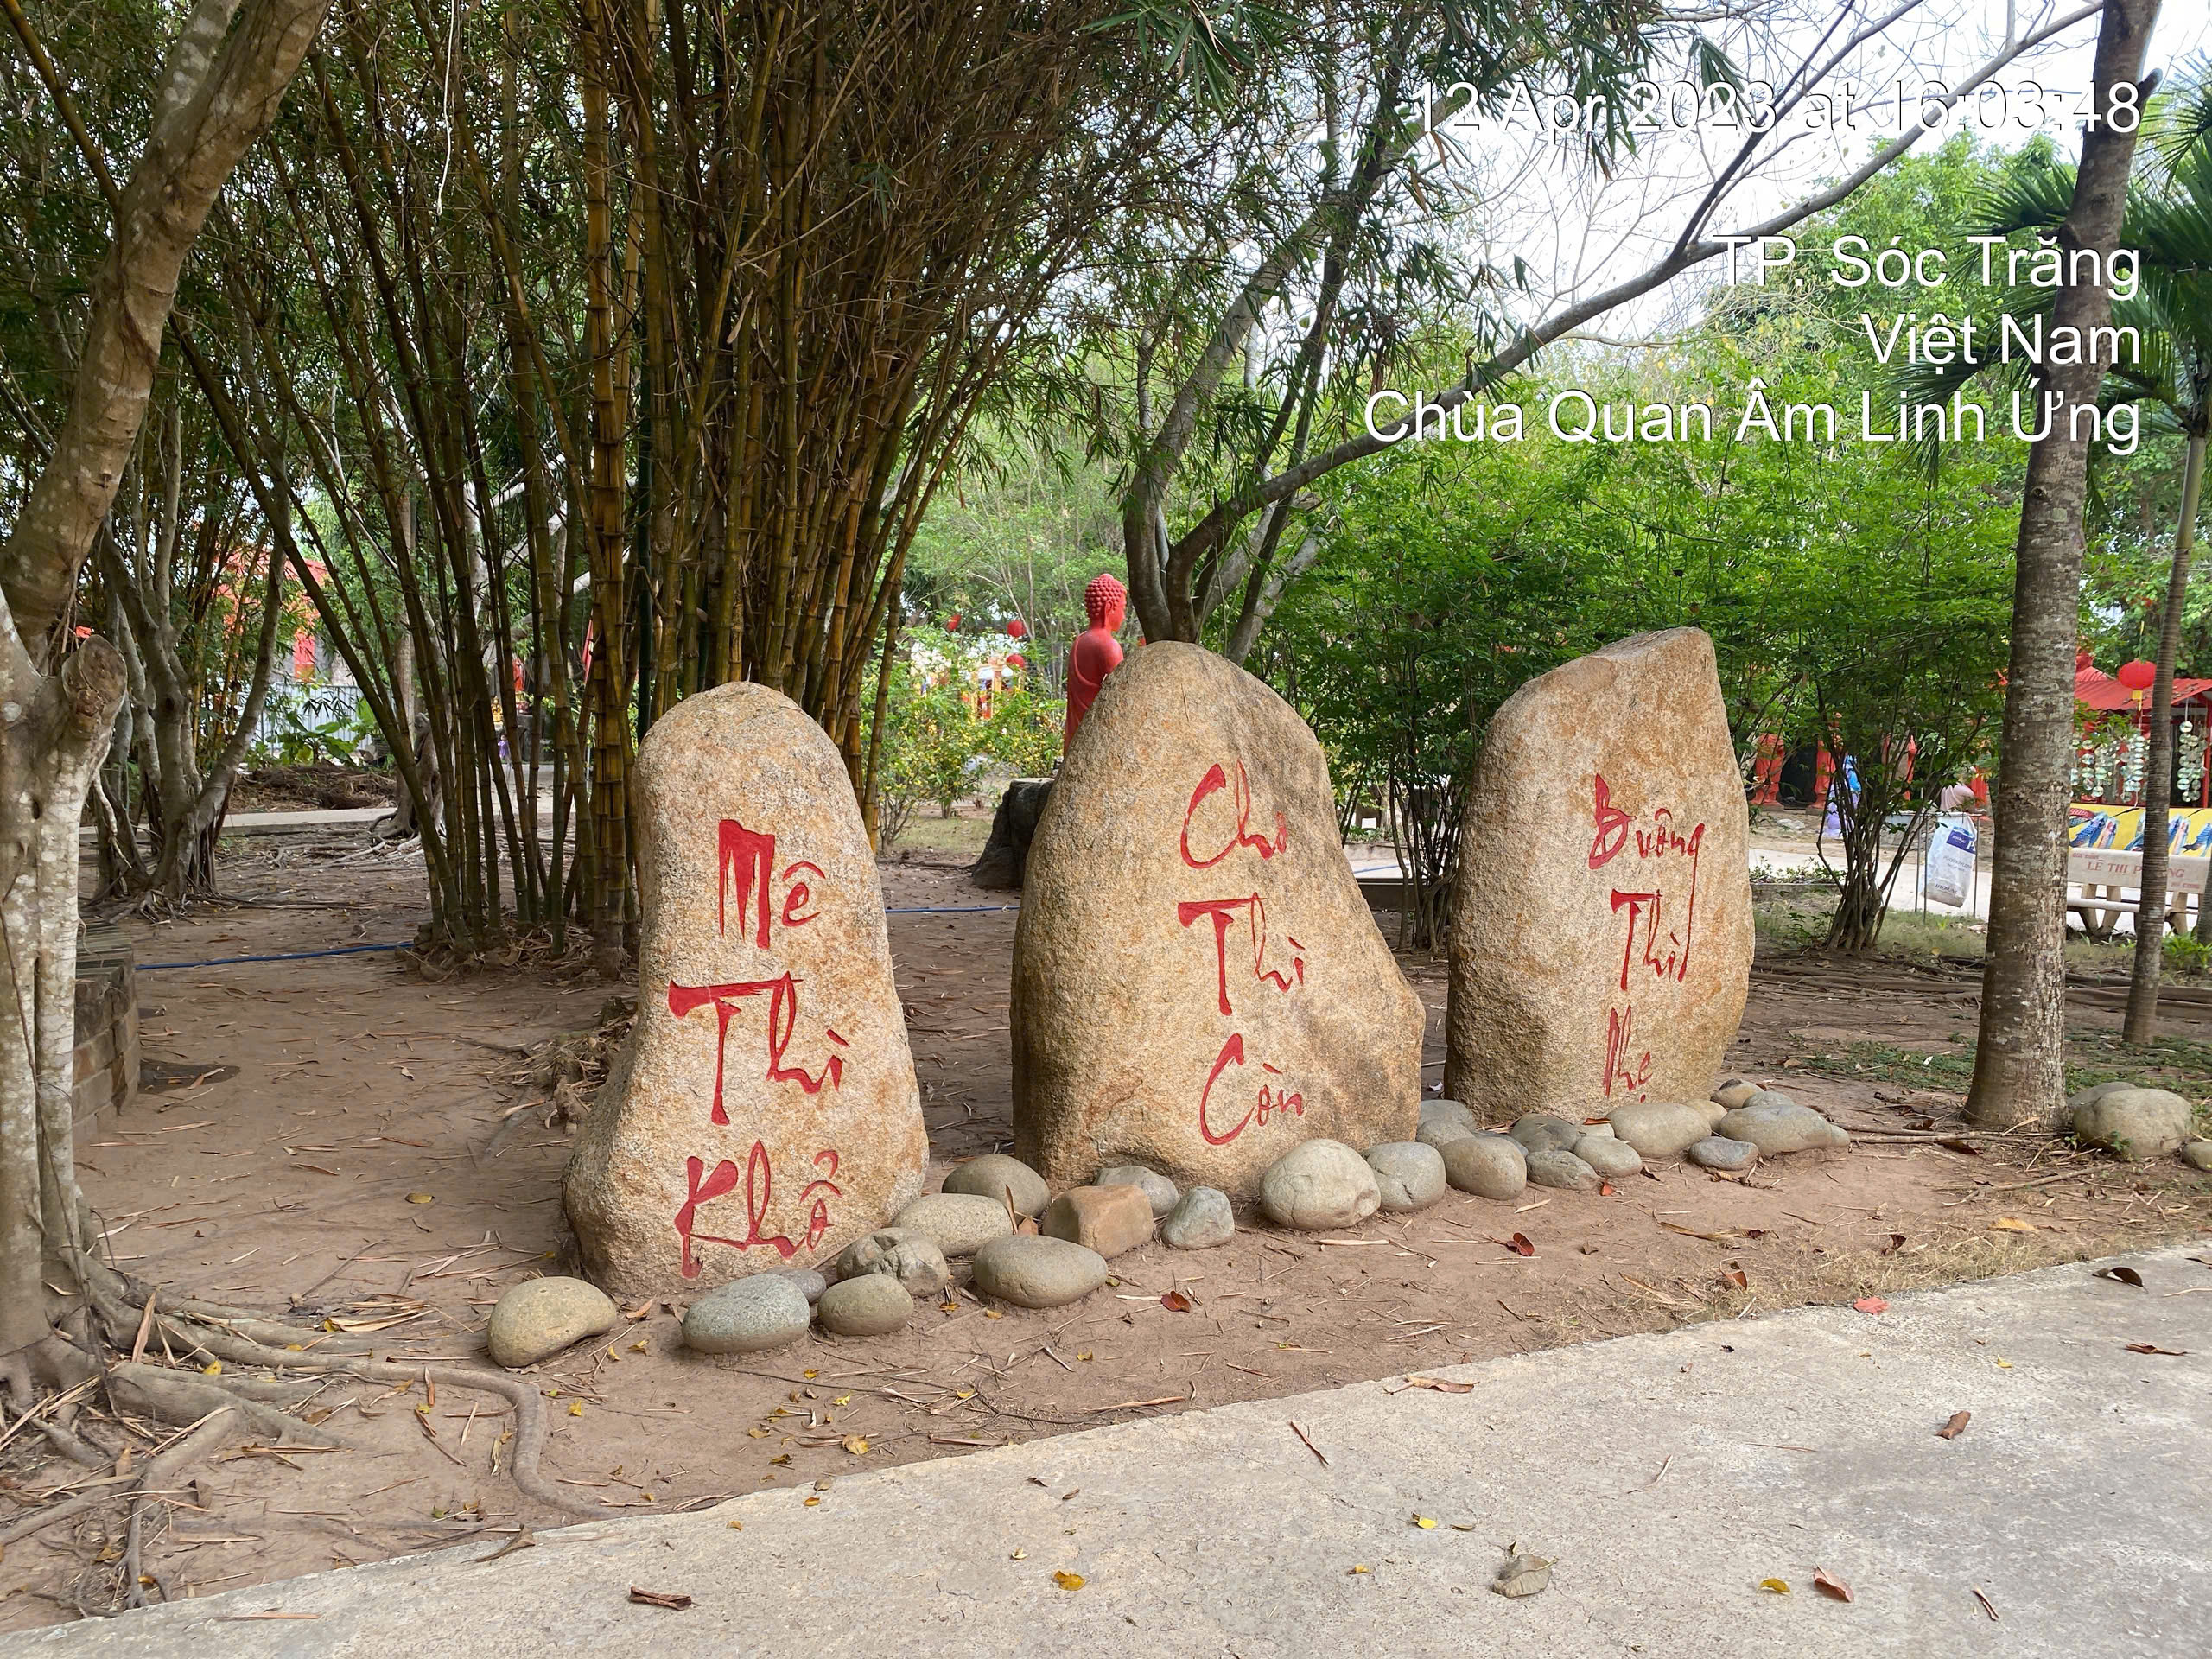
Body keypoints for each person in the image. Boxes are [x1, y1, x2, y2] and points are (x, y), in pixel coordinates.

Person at [1063, 572, 1127, 748]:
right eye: (1122, 609)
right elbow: (1119, 698)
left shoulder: (1079, 641)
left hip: (1073, 739)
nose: (1124, 616)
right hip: (1096, 742)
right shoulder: (1108, 646)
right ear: (1109, 608)